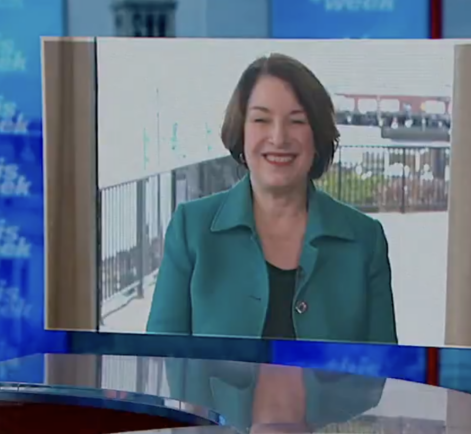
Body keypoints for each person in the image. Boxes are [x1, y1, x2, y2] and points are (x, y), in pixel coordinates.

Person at [147, 53, 398, 344]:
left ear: (317, 137)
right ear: (241, 131)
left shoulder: (365, 239)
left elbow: (384, 366)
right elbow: (158, 358)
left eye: (297, 121)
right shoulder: (190, 229)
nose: (278, 138)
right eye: (261, 119)